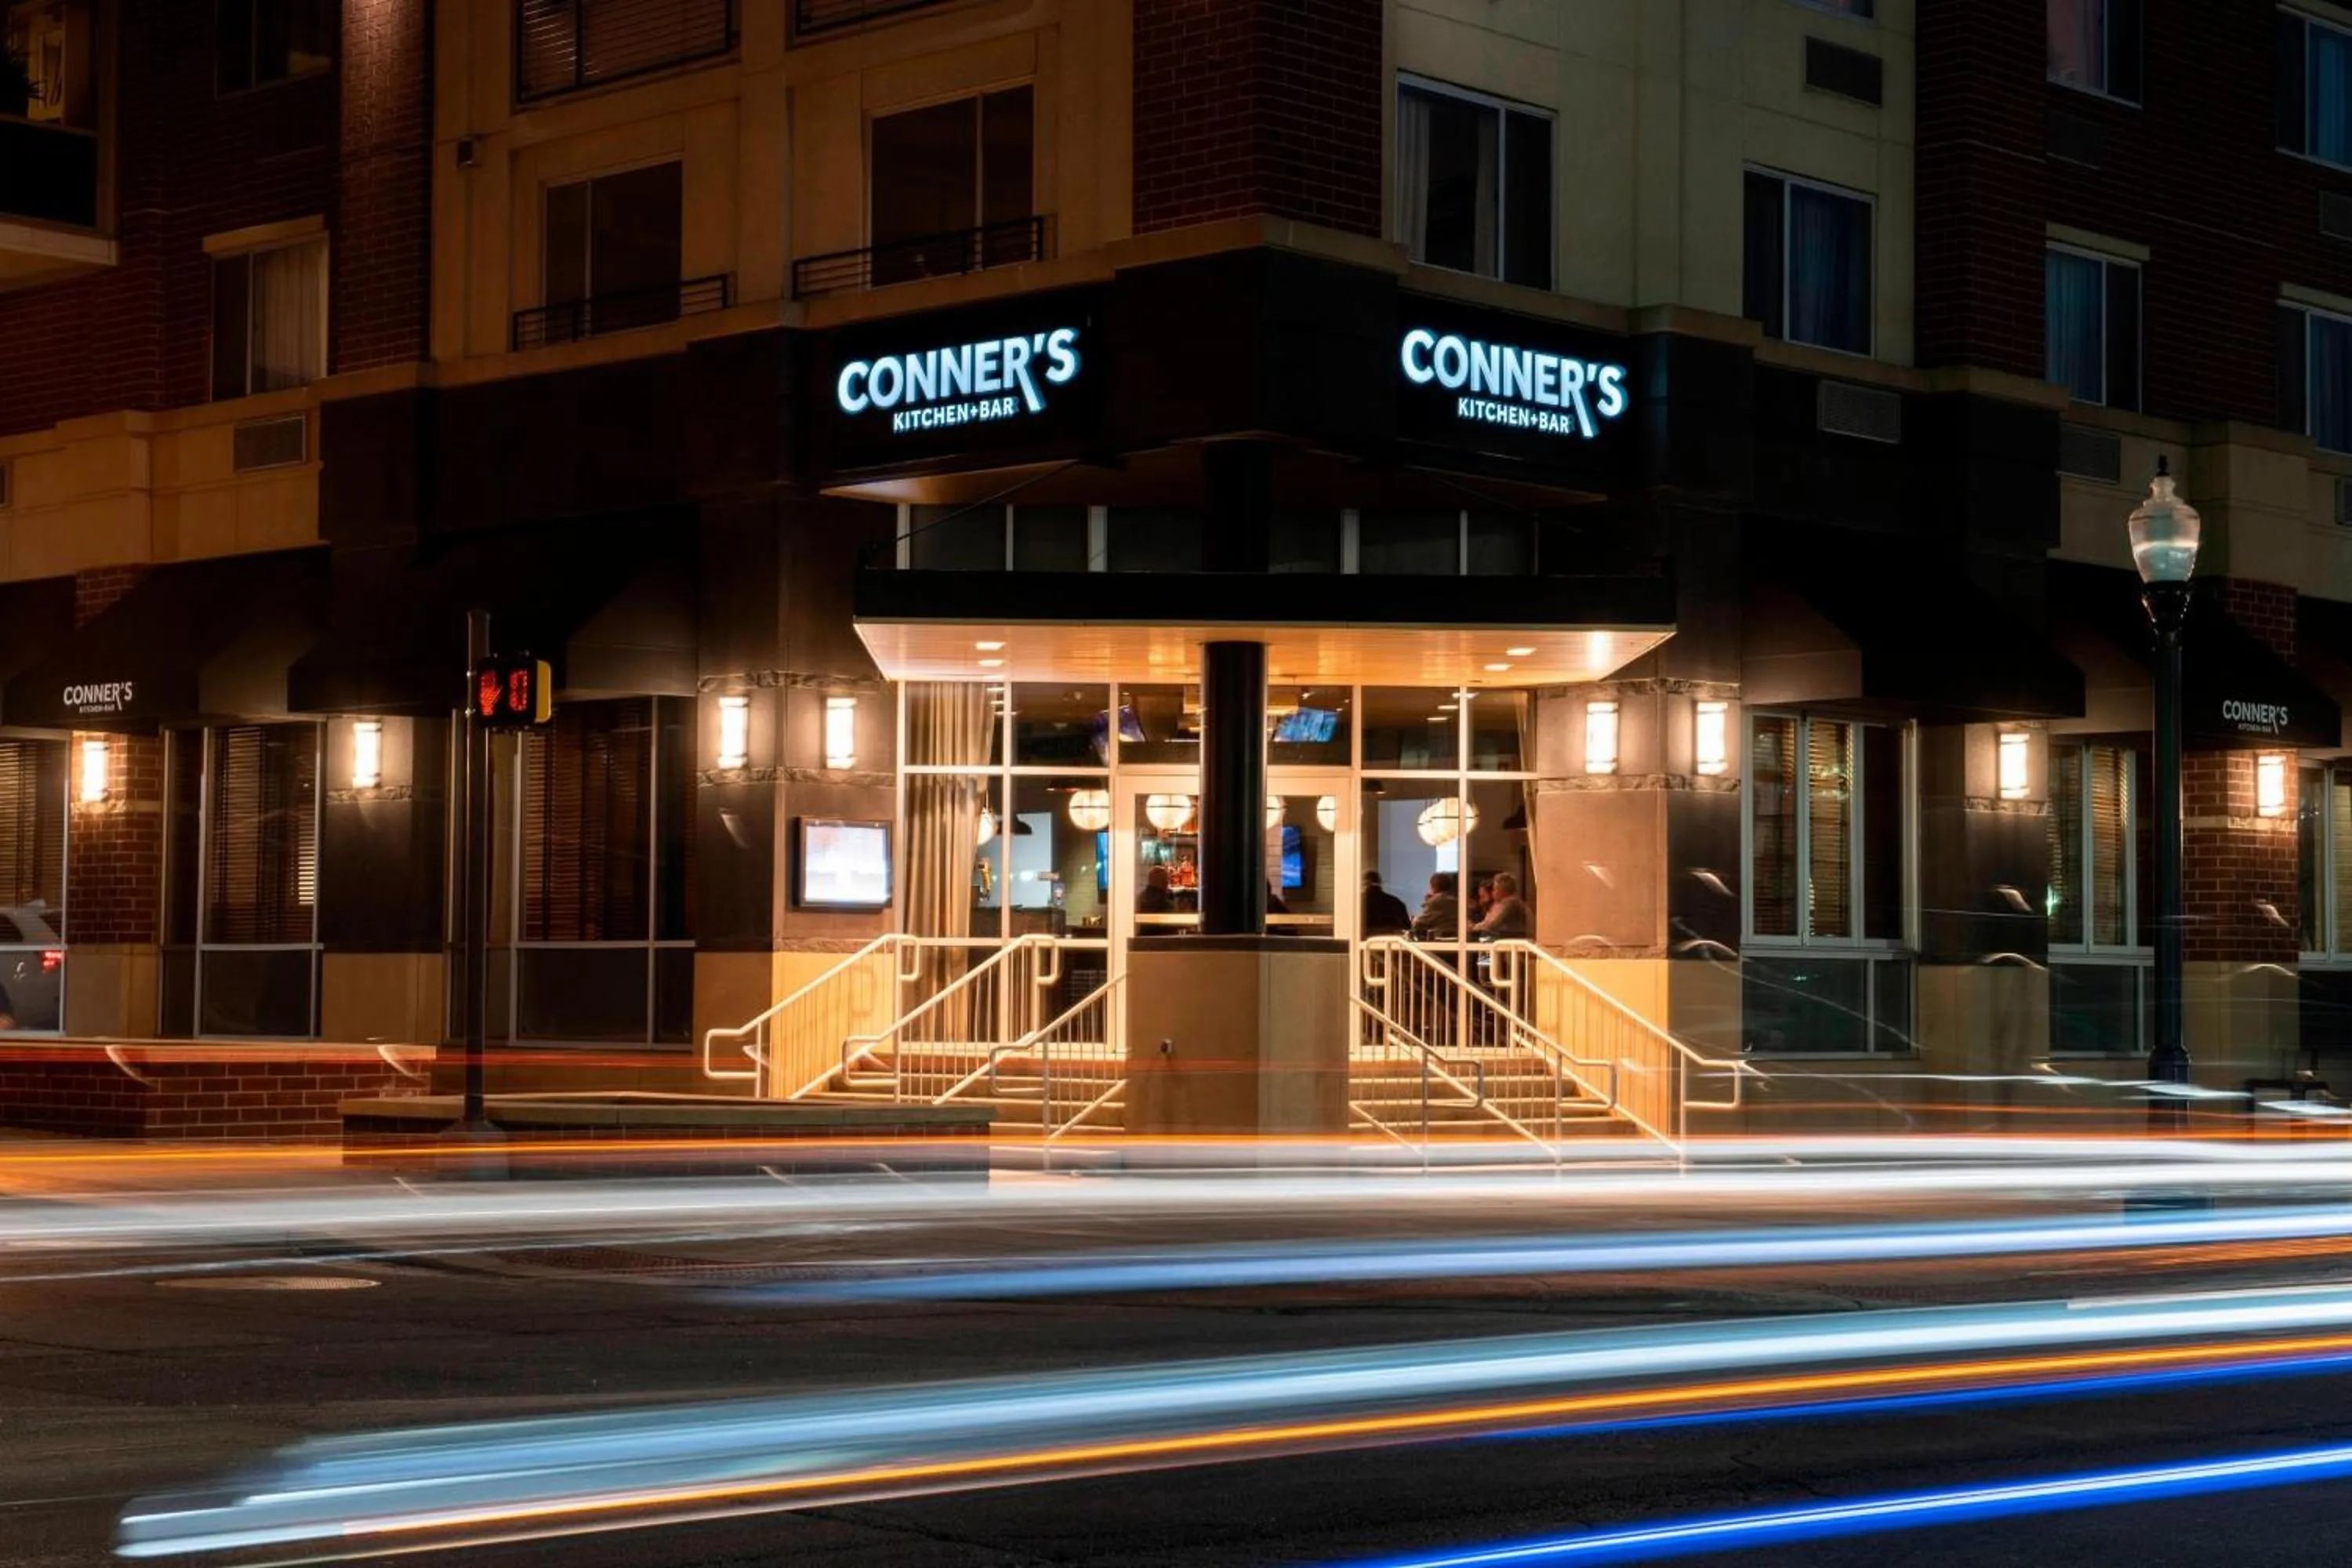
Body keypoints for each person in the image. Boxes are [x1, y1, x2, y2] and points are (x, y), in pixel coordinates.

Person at [1473, 871, 1531, 940]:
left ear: (1502, 890)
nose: (1493, 892)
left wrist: (1473, 928)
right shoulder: (1505, 903)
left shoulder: (1511, 903)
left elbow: (1493, 924)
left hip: (1514, 944)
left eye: (1495, 889)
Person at [1410, 871, 1459, 941]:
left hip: (1438, 942)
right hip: (1456, 941)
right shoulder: (1456, 901)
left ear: (1432, 887)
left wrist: (1412, 920)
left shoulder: (1434, 902)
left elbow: (1420, 924)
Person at [1361, 870, 1411, 935]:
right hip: (1390, 943)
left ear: (1365, 883)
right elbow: (1407, 927)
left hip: (1364, 943)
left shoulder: (1358, 902)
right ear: (1381, 883)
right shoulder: (1396, 902)